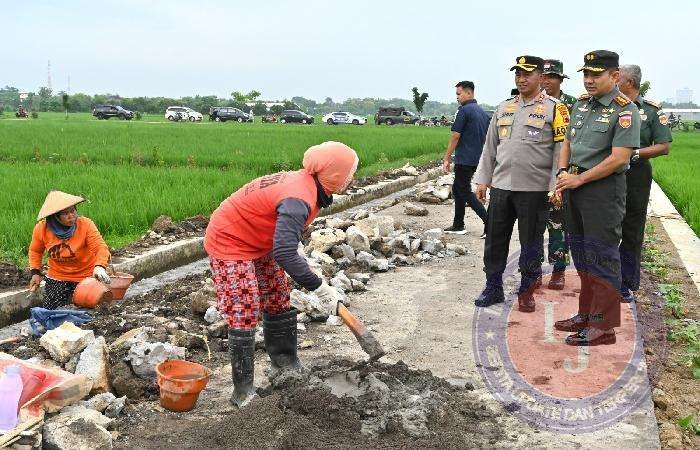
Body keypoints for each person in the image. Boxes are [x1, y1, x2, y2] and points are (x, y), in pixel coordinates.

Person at [204, 141, 358, 408]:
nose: (352, 179)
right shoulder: (299, 198)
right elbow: (285, 254)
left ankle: (285, 366)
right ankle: (243, 392)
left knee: (277, 294)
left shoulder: (309, 186)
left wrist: (298, 252)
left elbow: (285, 239)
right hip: (230, 239)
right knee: (245, 306)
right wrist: (321, 288)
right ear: (334, 175)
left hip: (258, 240)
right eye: (349, 173)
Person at [554, 50, 641, 346]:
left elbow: (619, 158)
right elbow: (567, 143)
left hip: (602, 192)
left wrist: (579, 179)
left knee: (602, 258)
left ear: (614, 76)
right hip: (574, 187)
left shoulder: (625, 110)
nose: (589, 80)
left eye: (596, 74)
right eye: (586, 74)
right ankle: (586, 315)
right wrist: (563, 173)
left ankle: (603, 328)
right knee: (581, 257)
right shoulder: (580, 105)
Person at [473, 55, 569, 312]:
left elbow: (561, 149)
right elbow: (490, 147)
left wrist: (556, 185)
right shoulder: (504, 107)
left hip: (534, 189)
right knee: (495, 240)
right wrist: (483, 180)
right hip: (502, 187)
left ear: (541, 77)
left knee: (531, 243)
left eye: (527, 74)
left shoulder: (555, 108)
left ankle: (527, 291)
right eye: (518, 74)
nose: (522, 79)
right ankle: (493, 287)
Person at [617, 64, 672, 302]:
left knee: (631, 227)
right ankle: (604, 277)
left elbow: (664, 146)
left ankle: (626, 282)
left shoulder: (651, 111)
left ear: (629, 82)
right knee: (606, 225)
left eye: (618, 77)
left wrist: (634, 153)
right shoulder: (610, 106)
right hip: (607, 172)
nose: (613, 80)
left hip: (636, 174)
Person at [28, 191, 111, 310]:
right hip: (57, 276)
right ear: (55, 217)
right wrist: (35, 273)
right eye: (65, 213)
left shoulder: (85, 225)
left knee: (86, 311)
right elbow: (35, 251)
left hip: (85, 276)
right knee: (52, 312)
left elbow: (100, 247)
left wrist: (100, 266)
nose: (71, 216)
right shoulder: (42, 228)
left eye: (73, 211)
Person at [541, 59, 577, 289]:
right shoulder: (532, 102)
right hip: (533, 174)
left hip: (561, 174)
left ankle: (558, 270)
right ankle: (532, 269)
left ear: (560, 80)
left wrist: (564, 175)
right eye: (543, 76)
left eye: (551, 77)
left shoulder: (574, 105)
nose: (546, 81)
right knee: (533, 224)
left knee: (558, 224)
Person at [442, 81, 491, 237]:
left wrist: (446, 158)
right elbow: (487, 138)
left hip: (464, 158)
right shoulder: (483, 113)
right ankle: (458, 224)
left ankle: (489, 222)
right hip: (477, 158)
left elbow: (455, 136)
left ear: (469, 93)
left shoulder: (463, 111)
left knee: (463, 190)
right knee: (458, 189)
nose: (457, 97)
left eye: (459, 93)